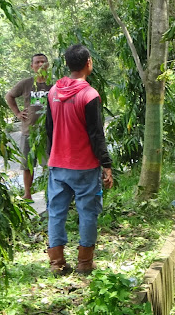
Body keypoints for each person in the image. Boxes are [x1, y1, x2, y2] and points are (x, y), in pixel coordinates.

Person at [45, 44, 113, 276]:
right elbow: (96, 134)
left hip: (58, 165)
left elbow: (49, 130)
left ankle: (57, 264)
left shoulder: (53, 92)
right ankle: (85, 263)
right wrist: (106, 165)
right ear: (88, 63)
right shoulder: (89, 95)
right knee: (87, 212)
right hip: (84, 166)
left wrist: (51, 157)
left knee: (56, 212)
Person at [6, 53, 52, 200]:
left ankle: (49, 192)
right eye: (37, 62)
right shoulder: (26, 83)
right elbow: (9, 96)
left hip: (48, 132)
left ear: (48, 65)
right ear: (32, 67)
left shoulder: (53, 84)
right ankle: (27, 194)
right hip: (29, 131)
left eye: (43, 62)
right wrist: (18, 113)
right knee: (27, 165)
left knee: (49, 164)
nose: (40, 64)